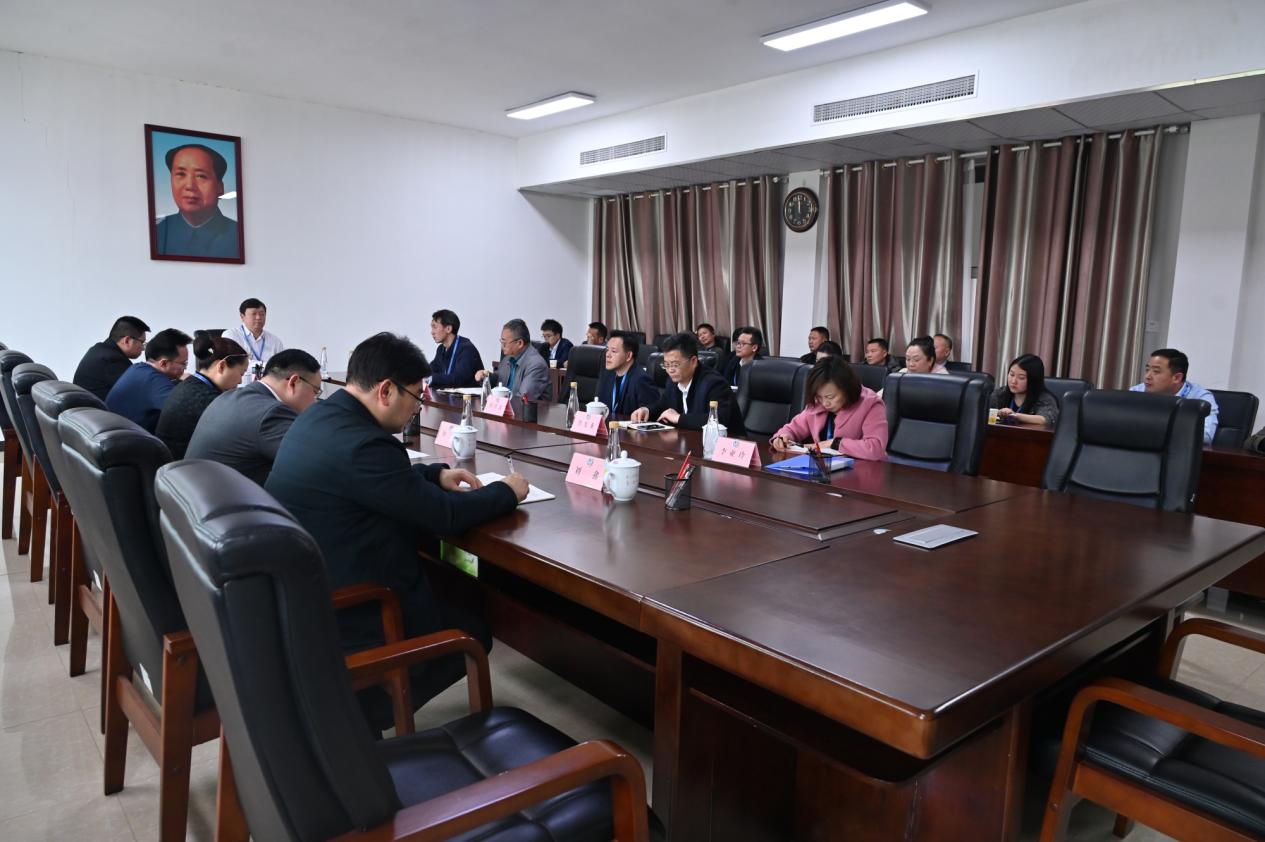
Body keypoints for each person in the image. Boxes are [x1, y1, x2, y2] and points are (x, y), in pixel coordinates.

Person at [265, 332, 528, 732]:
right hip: (358, 615)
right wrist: (506, 492)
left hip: (311, 599)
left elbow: (374, 482)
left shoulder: (321, 417)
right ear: (386, 390)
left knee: (453, 588)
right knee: (473, 630)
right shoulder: (364, 444)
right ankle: (365, 712)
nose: (417, 408)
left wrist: (433, 474)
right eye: (416, 397)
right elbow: (444, 516)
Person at [187, 349, 324, 485]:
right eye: (315, 391)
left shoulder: (230, 396)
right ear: (293, 382)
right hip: (229, 496)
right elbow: (316, 463)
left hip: (195, 491)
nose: (315, 401)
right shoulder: (272, 413)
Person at [771, 357, 888, 461]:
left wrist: (835, 443)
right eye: (819, 396)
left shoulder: (870, 404)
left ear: (847, 389)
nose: (825, 403)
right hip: (823, 468)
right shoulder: (817, 403)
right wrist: (781, 438)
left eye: (830, 397)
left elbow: (875, 448)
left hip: (862, 472)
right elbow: (793, 429)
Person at [631, 332, 745, 435]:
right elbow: (662, 405)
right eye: (666, 365)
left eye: (675, 365)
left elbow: (719, 420)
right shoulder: (673, 381)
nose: (670, 370)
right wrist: (647, 410)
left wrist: (678, 418)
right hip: (688, 441)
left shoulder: (714, 383)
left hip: (725, 445)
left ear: (693, 361)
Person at [155, 336, 248, 458]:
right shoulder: (207, 399)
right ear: (221, 366)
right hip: (184, 464)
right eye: (241, 373)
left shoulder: (191, 384)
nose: (240, 381)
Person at [154, 144, 240, 259]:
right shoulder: (156, 231)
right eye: (181, 174)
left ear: (220, 187)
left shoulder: (239, 235)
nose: (189, 186)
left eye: (201, 176)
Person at [105, 328, 191, 433]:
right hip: (130, 440)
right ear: (163, 363)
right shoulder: (154, 381)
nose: (185, 368)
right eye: (183, 363)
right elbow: (188, 411)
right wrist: (191, 384)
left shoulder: (138, 369)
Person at [1130, 348, 1220, 445]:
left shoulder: (1200, 398)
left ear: (1177, 378)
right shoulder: (1137, 391)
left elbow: (1205, 436)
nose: (1147, 376)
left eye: (1156, 371)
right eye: (1147, 370)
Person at [72, 315, 150, 401]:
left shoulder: (98, 349)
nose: (143, 348)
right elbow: (144, 392)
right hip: (97, 408)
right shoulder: (115, 361)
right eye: (142, 342)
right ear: (127, 341)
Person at [475, 318, 549, 401]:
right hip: (505, 407)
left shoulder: (536, 365)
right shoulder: (508, 358)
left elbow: (523, 399)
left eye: (504, 343)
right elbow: (499, 379)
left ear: (519, 343)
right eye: (501, 342)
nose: (502, 346)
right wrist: (485, 377)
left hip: (524, 409)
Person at [595, 331, 660, 416]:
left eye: (613, 351)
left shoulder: (641, 380)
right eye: (607, 349)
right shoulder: (607, 375)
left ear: (628, 356)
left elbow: (651, 415)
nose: (607, 355)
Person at [990, 354, 1059, 427]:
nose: (1013, 381)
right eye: (1011, 374)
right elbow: (983, 410)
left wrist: (1014, 415)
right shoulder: (1000, 393)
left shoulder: (1044, 398)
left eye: (1021, 378)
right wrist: (998, 413)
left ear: (1033, 380)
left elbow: (1046, 420)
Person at [427, 309, 485, 389]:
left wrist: (432, 378)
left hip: (469, 396)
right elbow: (431, 369)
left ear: (448, 329)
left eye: (435, 327)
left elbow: (459, 379)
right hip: (448, 395)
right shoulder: (441, 349)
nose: (432, 332)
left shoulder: (467, 349)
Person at [223, 297, 284, 372]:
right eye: (254, 314)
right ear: (242, 317)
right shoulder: (231, 335)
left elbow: (281, 366)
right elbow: (233, 363)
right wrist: (267, 366)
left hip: (268, 379)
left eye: (262, 314)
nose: (258, 317)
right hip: (240, 379)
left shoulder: (275, 341)